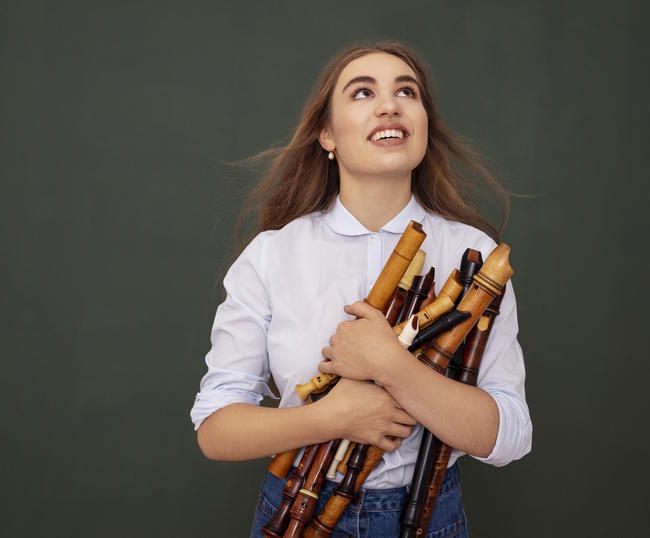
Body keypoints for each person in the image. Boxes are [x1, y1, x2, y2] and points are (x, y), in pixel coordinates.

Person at [190, 41, 532, 537]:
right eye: (362, 92)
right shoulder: (272, 254)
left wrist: (391, 367)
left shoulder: (474, 256)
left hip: (427, 514)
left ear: (423, 125)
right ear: (327, 134)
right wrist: (334, 417)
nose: (389, 104)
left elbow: (510, 435)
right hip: (297, 514)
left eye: (406, 92)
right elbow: (216, 428)